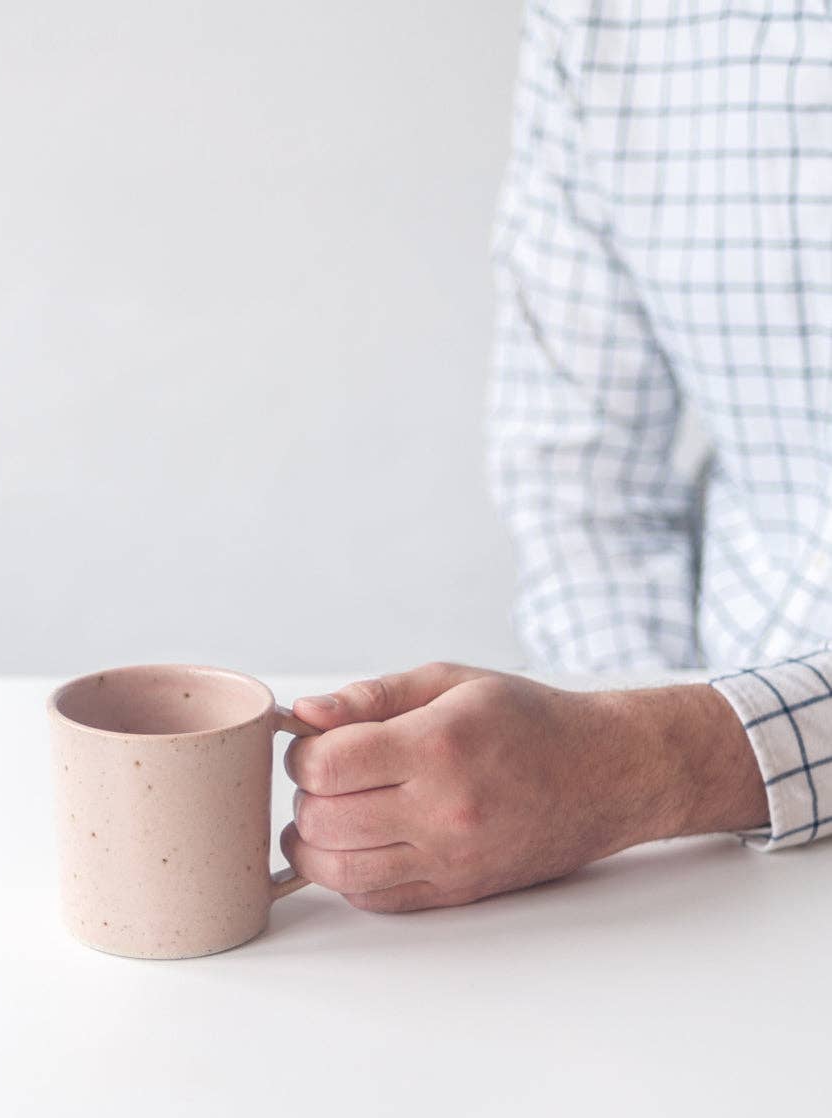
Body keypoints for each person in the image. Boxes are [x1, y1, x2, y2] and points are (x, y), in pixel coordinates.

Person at [280, 1, 832, 912]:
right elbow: (583, 488)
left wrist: (657, 761)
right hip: (717, 879)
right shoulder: (608, 22)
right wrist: (606, 760)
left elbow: (646, 761)